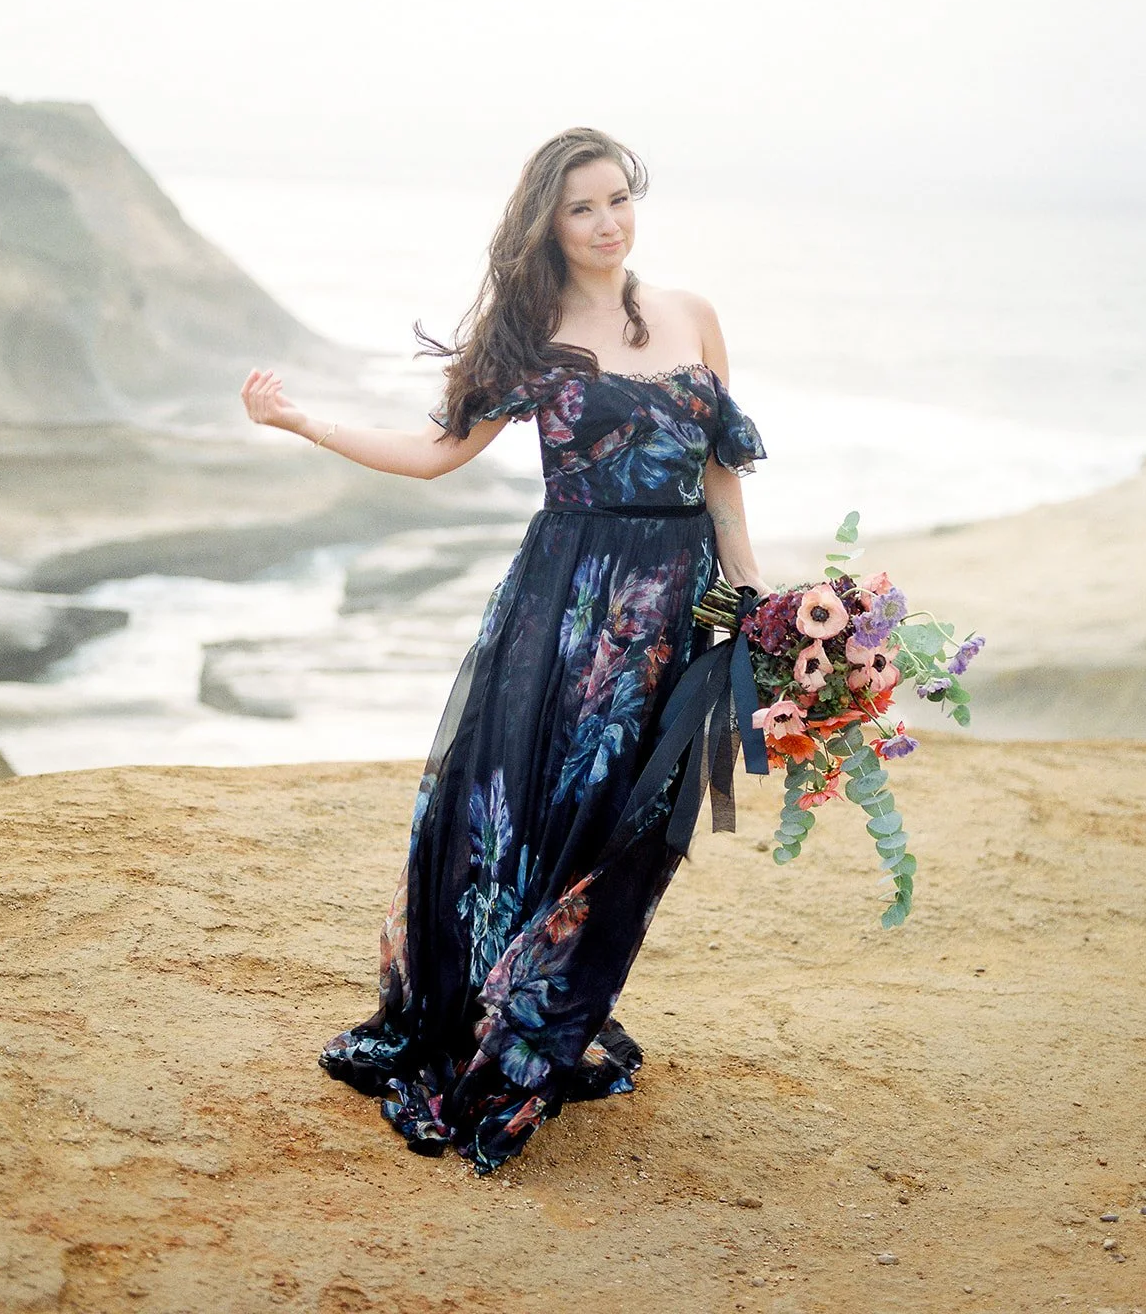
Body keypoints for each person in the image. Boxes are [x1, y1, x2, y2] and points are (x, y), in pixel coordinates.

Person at [240, 127, 767, 1174]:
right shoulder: (527, 330)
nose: (607, 222)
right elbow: (434, 455)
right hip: (563, 605)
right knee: (523, 813)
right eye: (582, 207)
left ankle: (545, 1014)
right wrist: (304, 422)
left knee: (633, 826)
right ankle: (503, 1029)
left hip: (669, 611)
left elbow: (721, 481)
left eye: (618, 198)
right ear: (549, 223)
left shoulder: (692, 315)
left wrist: (752, 607)